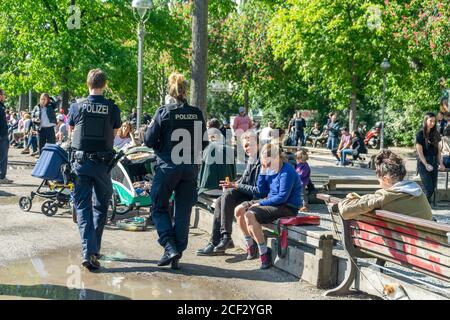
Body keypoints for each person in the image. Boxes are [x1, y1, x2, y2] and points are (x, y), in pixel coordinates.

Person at [144, 72, 208, 270]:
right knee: (183, 212)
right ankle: (176, 252)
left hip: (167, 167)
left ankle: (169, 246)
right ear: (184, 90)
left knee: (158, 207)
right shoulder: (196, 113)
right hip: (189, 168)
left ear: (169, 91)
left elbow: (148, 140)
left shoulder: (163, 112)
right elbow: (204, 142)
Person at [68, 69, 122, 271]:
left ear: (87, 84)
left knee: (82, 207)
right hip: (102, 166)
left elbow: (71, 132)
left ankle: (87, 251)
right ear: (105, 85)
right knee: (100, 207)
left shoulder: (77, 106)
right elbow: (114, 134)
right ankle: (93, 251)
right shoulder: (112, 108)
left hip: (81, 164)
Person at [234, 142, 302, 269]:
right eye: (265, 163)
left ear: (277, 158)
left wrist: (261, 203)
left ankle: (264, 254)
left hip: (287, 206)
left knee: (250, 214)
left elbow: (282, 197)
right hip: (271, 201)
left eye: (269, 163)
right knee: (239, 210)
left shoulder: (287, 171)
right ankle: (251, 244)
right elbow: (261, 191)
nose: (268, 166)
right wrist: (263, 171)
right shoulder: (269, 169)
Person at [197, 130, 261, 256]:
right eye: (245, 146)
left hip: (259, 197)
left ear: (258, 144)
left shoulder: (262, 159)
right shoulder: (252, 158)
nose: (247, 148)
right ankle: (219, 240)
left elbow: (258, 188)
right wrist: (231, 185)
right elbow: (245, 180)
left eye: (250, 145)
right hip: (249, 194)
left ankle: (224, 238)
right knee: (222, 198)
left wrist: (235, 185)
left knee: (227, 195)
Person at [338, 150, 432, 220]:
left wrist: (349, 198)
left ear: (385, 179)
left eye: (379, 180)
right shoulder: (419, 193)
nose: (379, 183)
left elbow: (344, 211)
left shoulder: (382, 198)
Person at [416, 112, 445, 204]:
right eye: (430, 121)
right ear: (425, 121)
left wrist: (441, 163)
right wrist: (426, 164)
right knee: (428, 188)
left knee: (432, 188)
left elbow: (438, 152)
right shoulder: (420, 134)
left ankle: (423, 207)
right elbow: (420, 152)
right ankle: (421, 207)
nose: (432, 123)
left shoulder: (436, 134)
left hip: (433, 162)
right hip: (423, 163)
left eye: (434, 121)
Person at [0, 89, 12, 184]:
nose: (4, 96)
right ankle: (1, 177)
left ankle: (2, 176)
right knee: (3, 157)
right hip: (2, 135)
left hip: (3, 134)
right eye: (3, 94)